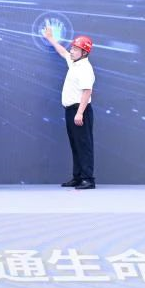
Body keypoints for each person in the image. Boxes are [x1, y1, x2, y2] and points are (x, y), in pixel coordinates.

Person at [43, 27, 97, 189]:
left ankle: (88, 179)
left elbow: (87, 91)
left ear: (84, 52)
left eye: (75, 49)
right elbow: (62, 52)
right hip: (71, 110)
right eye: (72, 48)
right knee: (75, 144)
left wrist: (79, 113)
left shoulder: (85, 68)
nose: (71, 51)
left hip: (80, 110)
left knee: (84, 145)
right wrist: (50, 39)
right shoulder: (74, 63)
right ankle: (78, 176)